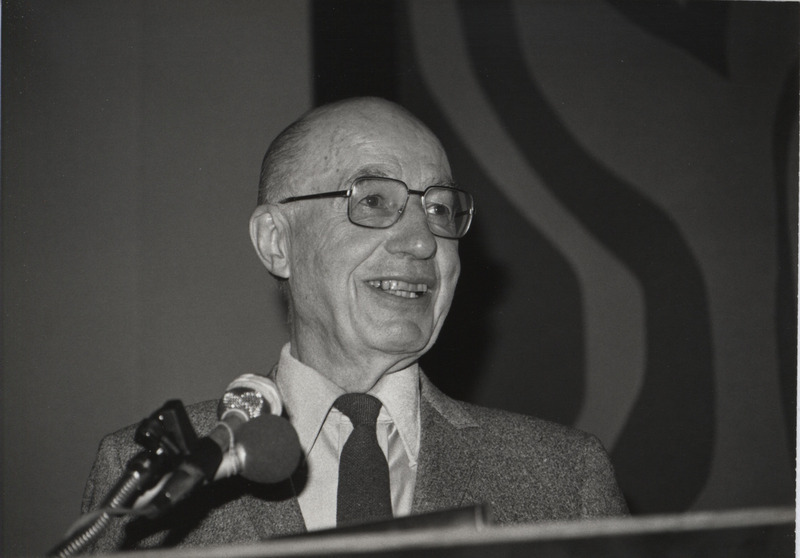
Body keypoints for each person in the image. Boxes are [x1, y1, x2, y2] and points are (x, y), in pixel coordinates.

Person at [81, 97, 627, 552]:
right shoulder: (145, 476)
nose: (421, 242)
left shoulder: (564, 476)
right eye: (372, 200)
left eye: (439, 210)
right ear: (277, 242)